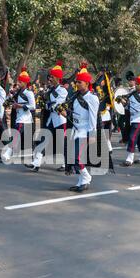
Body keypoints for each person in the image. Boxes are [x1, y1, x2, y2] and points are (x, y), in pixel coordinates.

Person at [61, 63, 99, 192]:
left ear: (87, 83)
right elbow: (72, 114)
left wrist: (92, 134)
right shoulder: (75, 97)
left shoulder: (92, 98)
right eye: (77, 82)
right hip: (75, 130)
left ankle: (87, 177)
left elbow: (93, 117)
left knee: (77, 157)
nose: (77, 84)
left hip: (85, 131)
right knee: (73, 157)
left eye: (80, 82)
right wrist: (64, 113)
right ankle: (80, 182)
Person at [26, 61, 68, 172]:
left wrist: (48, 103)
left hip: (60, 120)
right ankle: (36, 162)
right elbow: (48, 104)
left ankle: (66, 164)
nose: (50, 78)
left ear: (58, 78)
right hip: (50, 119)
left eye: (52, 76)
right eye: (50, 76)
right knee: (42, 140)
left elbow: (57, 105)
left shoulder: (62, 90)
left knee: (62, 143)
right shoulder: (50, 90)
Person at [1, 67, 36, 163]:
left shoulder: (29, 93)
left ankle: (8, 153)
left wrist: (19, 106)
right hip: (19, 118)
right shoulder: (18, 92)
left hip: (24, 119)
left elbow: (32, 106)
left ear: (25, 83)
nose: (19, 84)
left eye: (20, 82)